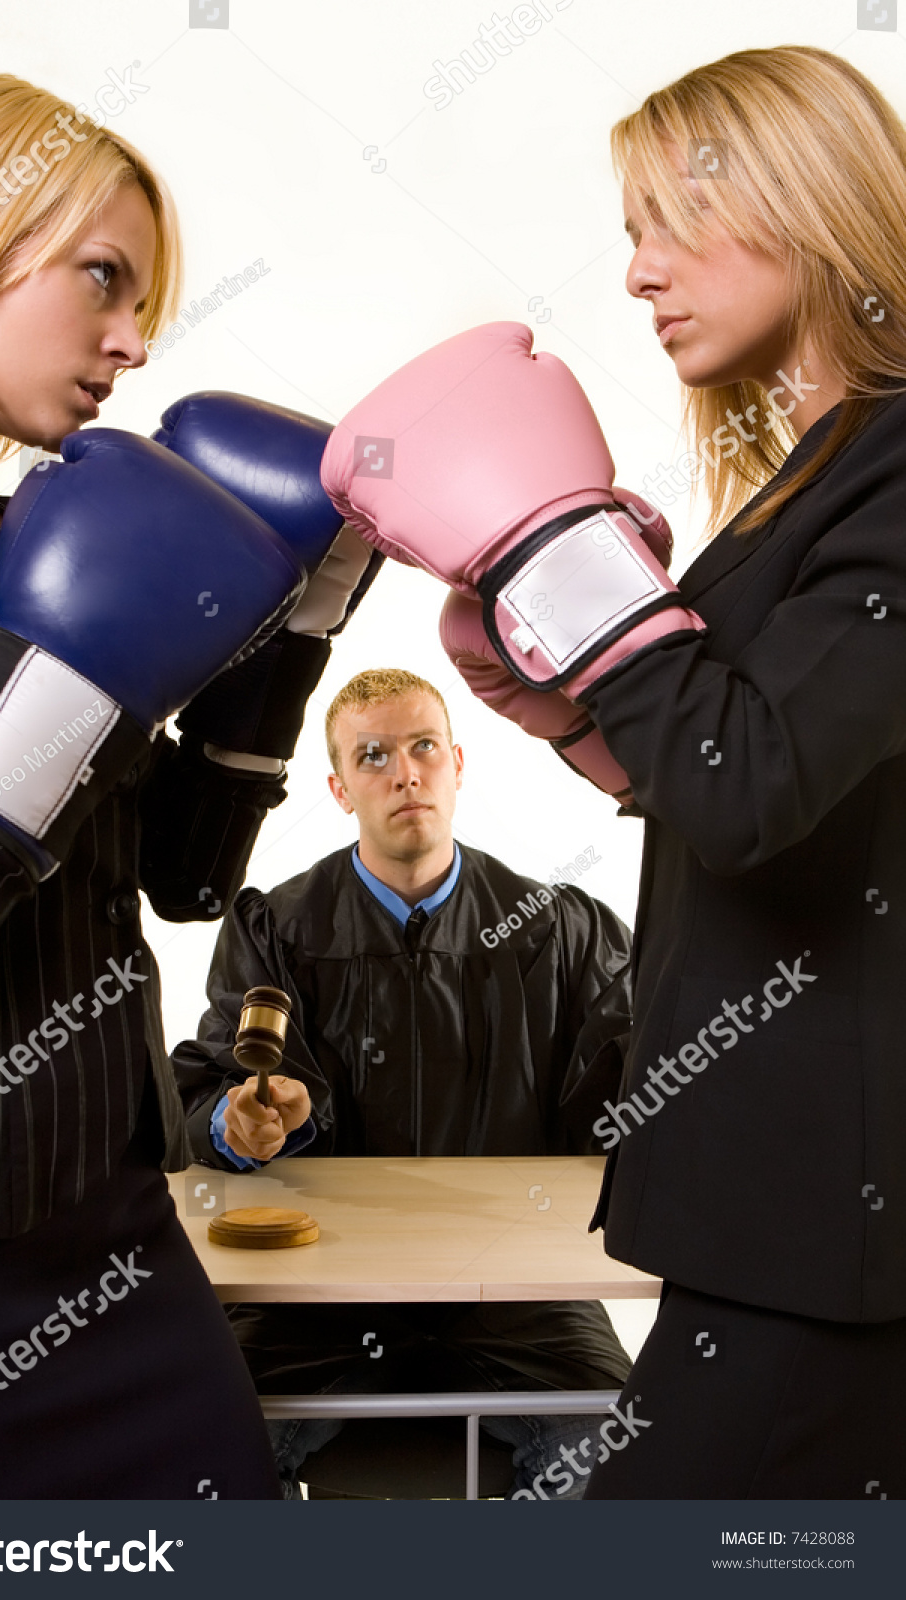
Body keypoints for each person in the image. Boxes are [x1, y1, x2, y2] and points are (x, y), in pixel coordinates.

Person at [319, 45, 906, 1499]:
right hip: (776, 1201)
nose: (635, 271)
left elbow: (745, 783)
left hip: (822, 1207)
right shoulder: (818, 466)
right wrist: (571, 717)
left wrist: (555, 555)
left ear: (809, 200)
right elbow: (749, 796)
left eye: (669, 218)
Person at [0, 73, 364, 1500]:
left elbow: (183, 879)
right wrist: (66, 666)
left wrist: (291, 624)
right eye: (102, 279)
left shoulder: (54, 529)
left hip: (118, 1227)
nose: (133, 343)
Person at [174, 667, 635, 1499]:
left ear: (458, 762)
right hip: (307, 1302)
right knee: (191, 1448)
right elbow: (211, 1092)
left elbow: (627, 1100)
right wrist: (237, 1127)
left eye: (423, 746)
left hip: (520, 1303)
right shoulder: (276, 929)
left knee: (627, 1451)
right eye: (373, 755)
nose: (404, 772)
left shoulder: (558, 932)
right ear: (340, 788)